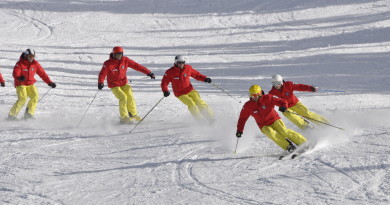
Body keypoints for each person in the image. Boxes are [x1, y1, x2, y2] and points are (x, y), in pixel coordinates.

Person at [236, 84, 307, 152]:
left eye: (258, 94)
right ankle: (288, 147)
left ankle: (303, 142)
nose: (256, 97)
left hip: (274, 119)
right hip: (263, 125)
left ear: (261, 93)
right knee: (271, 133)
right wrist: (239, 130)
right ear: (250, 95)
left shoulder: (268, 98)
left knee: (284, 131)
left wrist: (283, 106)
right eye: (253, 95)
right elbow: (242, 119)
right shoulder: (248, 106)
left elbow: (282, 101)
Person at [98, 46, 155, 124]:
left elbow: (137, 66)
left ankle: (133, 114)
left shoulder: (125, 60)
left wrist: (148, 72)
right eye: (117, 54)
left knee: (130, 95)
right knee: (123, 97)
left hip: (124, 83)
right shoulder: (108, 63)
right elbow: (102, 74)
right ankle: (124, 118)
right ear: (113, 54)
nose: (119, 56)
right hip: (114, 85)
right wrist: (100, 82)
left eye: (120, 54)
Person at [161, 55, 214, 123]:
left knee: (200, 102)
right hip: (180, 93)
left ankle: (211, 118)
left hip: (190, 90)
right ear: (176, 62)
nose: (181, 64)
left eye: (183, 62)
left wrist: (205, 79)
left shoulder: (188, 68)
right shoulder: (170, 72)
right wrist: (165, 90)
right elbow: (164, 82)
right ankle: (201, 121)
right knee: (192, 104)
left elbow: (196, 75)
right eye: (179, 63)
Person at [8, 49, 56, 120]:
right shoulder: (20, 63)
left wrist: (49, 82)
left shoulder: (35, 64)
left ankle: (28, 114)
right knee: (23, 98)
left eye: (33, 56)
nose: (31, 58)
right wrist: (19, 77)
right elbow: (15, 73)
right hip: (21, 83)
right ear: (26, 55)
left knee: (35, 96)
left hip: (30, 84)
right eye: (30, 56)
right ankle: (12, 115)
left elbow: (42, 74)